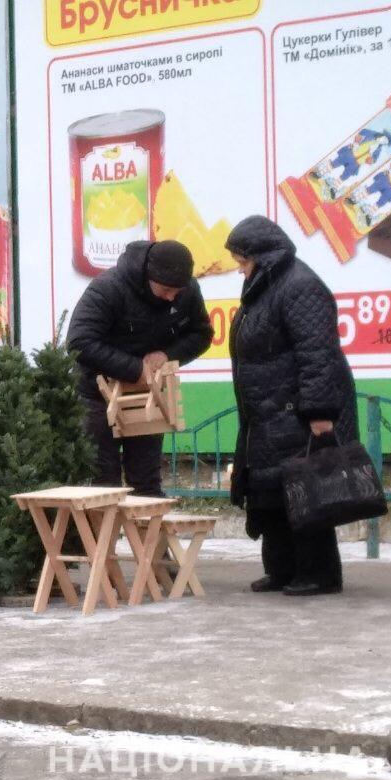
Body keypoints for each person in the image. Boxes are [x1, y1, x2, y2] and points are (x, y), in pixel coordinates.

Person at [226, 215, 357, 597]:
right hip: (268, 413)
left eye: (242, 261)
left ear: (262, 256)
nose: (240, 269)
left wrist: (319, 412)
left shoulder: (300, 286)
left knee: (305, 491)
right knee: (271, 492)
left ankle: (319, 573)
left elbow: (318, 354)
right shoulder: (268, 287)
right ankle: (282, 570)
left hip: (296, 413)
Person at [67, 239, 213, 496]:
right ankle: (100, 537)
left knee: (146, 482)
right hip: (97, 396)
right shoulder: (108, 288)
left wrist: (167, 355)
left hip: (148, 397)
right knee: (102, 483)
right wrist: (135, 370)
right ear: (148, 276)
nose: (172, 297)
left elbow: (201, 334)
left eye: (177, 291)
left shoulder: (187, 290)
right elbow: (80, 341)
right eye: (166, 289)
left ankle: (147, 535)